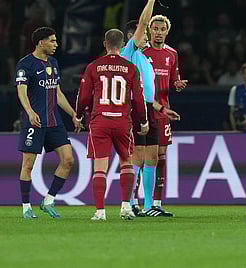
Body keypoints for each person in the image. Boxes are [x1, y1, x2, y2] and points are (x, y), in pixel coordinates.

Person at [75, 29, 180, 221]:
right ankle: (126, 207)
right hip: (123, 121)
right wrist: (143, 121)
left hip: (100, 120)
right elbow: (139, 100)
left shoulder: (93, 66)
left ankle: (100, 212)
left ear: (104, 44)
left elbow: (84, 96)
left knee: (100, 166)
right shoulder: (131, 67)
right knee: (127, 163)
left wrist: (79, 115)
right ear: (123, 44)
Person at [15, 27, 78, 219]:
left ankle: (49, 200)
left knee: (68, 160)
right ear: (41, 42)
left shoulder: (54, 63)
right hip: (34, 122)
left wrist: (73, 114)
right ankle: (26, 207)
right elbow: (21, 91)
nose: (56, 45)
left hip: (54, 122)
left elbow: (57, 93)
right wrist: (30, 112)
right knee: (28, 165)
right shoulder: (25, 64)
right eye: (52, 41)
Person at [120, 0, 160, 216]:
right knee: (136, 156)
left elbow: (148, 89)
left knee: (152, 156)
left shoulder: (146, 58)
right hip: (135, 108)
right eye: (143, 33)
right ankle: (130, 202)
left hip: (149, 108)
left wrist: (160, 108)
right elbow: (144, 22)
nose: (147, 35)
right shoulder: (130, 52)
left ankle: (148, 206)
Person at [143, 14, 188, 217]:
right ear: (149, 30)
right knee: (142, 156)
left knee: (161, 156)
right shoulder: (142, 52)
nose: (159, 32)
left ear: (167, 32)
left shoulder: (172, 54)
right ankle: (138, 202)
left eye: (162, 29)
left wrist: (177, 85)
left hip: (163, 111)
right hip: (143, 110)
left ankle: (157, 203)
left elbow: (173, 81)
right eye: (155, 28)